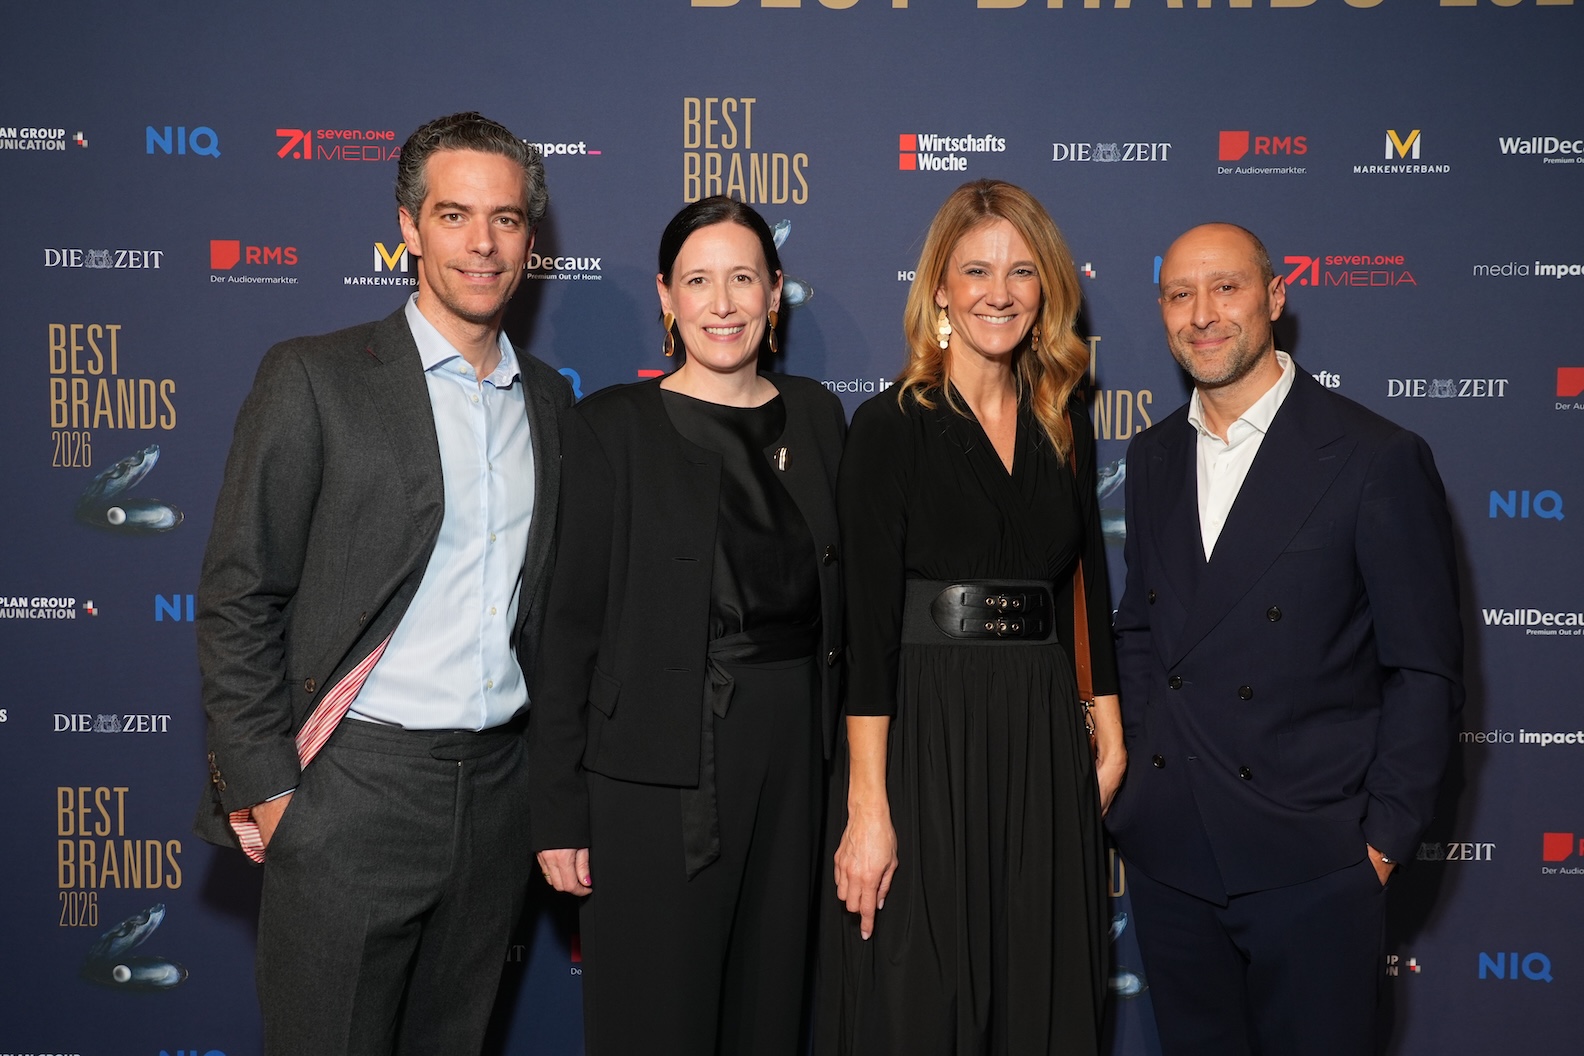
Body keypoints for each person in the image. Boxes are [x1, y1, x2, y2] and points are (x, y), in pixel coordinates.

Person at [193, 111, 571, 1056]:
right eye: (454, 215)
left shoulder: (552, 400)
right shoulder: (315, 378)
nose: (482, 243)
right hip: (351, 794)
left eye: (506, 219)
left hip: (496, 798)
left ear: (530, 237)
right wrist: (274, 797)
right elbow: (241, 594)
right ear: (408, 226)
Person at [1106, 222, 1463, 1056]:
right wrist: (1139, 791)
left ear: (1274, 297)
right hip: (1174, 861)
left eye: (1226, 287)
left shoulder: (1374, 456)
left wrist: (1378, 847)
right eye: (1180, 294)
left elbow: (1424, 671)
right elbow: (1143, 630)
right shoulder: (1153, 454)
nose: (1203, 313)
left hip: (1314, 863)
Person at [528, 196, 846, 1056]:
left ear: (775, 292)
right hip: (652, 769)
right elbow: (567, 630)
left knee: (768, 1009)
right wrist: (558, 810)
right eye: (699, 281)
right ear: (667, 298)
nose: (723, 303)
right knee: (654, 1015)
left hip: (795, 755)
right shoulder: (610, 427)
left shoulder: (818, 416)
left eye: (743, 278)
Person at [817, 179, 1125, 1055]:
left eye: (1022, 271)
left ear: (1047, 288)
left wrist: (1108, 729)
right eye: (977, 270)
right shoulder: (891, 426)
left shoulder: (1065, 422)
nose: (1000, 291)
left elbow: (1084, 586)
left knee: (1038, 983)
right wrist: (868, 807)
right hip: (927, 732)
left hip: (1040, 732)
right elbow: (867, 631)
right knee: (922, 994)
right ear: (941, 289)